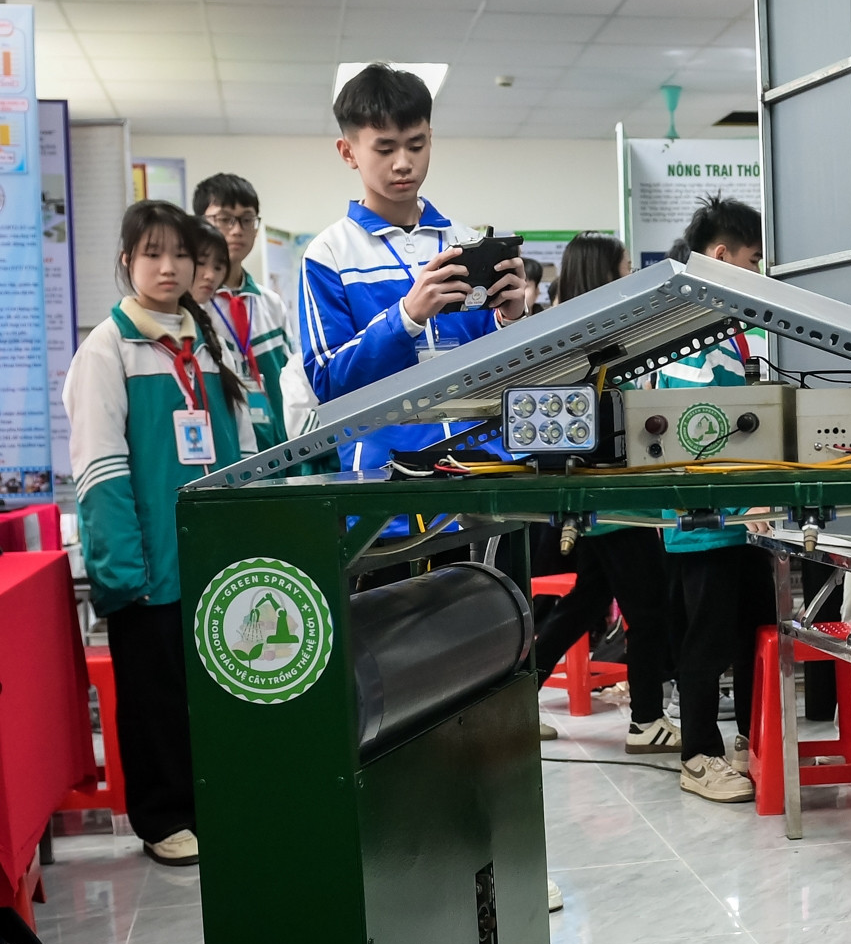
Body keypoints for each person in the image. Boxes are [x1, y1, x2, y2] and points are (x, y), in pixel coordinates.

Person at [63, 201, 257, 866]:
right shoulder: (106, 349)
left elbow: (244, 447)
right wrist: (125, 571)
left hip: (215, 558)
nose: (169, 267)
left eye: (181, 254)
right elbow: (99, 468)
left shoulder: (208, 338)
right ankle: (163, 816)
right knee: (156, 699)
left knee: (216, 690)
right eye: (153, 253)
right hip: (149, 564)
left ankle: (215, 803)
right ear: (127, 262)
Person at [300, 63, 529, 475]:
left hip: (482, 466)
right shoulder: (329, 254)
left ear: (430, 140)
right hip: (383, 476)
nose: (403, 162)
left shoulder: (466, 241)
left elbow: (509, 370)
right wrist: (406, 318)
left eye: (416, 145)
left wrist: (512, 320)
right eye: (385, 149)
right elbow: (329, 383)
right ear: (348, 152)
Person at [531, 232, 681, 759]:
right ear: (603, 274)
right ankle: (647, 719)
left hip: (601, 501)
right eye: (624, 267)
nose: (631, 275)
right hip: (617, 502)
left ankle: (515, 698)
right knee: (649, 609)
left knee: (585, 604)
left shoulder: (577, 340)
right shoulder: (595, 347)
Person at [658, 197, 777, 803]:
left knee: (756, 632)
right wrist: (738, 504)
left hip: (744, 519)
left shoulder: (732, 329)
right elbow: (696, 432)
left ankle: (752, 741)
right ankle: (699, 755)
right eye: (753, 260)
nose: (758, 272)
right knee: (706, 642)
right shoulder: (689, 332)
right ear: (722, 256)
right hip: (705, 521)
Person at [192, 172, 319, 451]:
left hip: (277, 449)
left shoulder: (270, 303)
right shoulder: (192, 308)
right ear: (200, 225)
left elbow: (290, 382)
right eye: (224, 219)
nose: (237, 230)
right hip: (222, 450)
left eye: (247, 219)